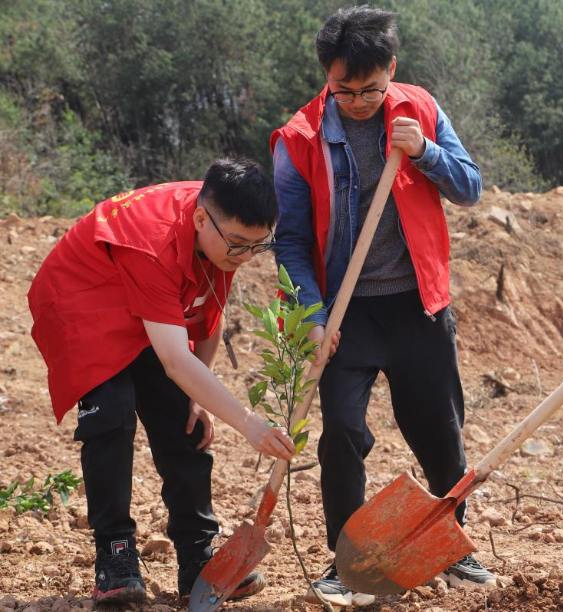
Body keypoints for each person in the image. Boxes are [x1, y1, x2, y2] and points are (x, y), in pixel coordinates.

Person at [271, 6, 495, 608]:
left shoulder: (418, 108)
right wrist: (314, 318)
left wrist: (424, 151)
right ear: (327, 76)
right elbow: (289, 241)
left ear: (391, 69)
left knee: (439, 432)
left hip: (417, 304)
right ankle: (344, 563)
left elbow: (470, 186)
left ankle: (453, 545)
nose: (360, 100)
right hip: (345, 313)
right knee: (341, 432)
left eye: (371, 88)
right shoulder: (299, 140)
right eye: (345, 89)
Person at [28, 159, 295, 605]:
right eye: (239, 245)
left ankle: (197, 557)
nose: (246, 256)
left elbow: (209, 308)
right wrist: (250, 425)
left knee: (184, 421)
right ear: (199, 220)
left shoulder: (223, 231)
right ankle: (115, 556)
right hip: (83, 300)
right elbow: (174, 359)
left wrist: (200, 397)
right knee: (111, 417)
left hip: (148, 307)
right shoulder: (153, 242)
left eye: (258, 245)